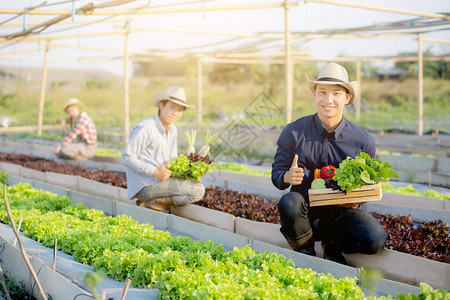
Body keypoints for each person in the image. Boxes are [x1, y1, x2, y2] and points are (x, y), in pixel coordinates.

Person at [272, 62, 386, 265]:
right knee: (289, 202)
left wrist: (356, 200)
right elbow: (277, 174)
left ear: (347, 98)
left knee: (375, 239)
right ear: (314, 94)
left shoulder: (362, 141)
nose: (328, 100)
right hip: (305, 214)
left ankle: (332, 244)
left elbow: (367, 187)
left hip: (341, 215)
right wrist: (286, 176)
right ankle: (306, 253)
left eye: (336, 94)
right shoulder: (293, 132)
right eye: (322, 92)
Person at [121, 86, 205, 211]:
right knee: (197, 190)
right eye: (172, 107)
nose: (175, 113)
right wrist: (155, 172)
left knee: (195, 186)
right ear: (161, 105)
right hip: (145, 186)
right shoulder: (146, 128)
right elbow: (127, 158)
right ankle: (149, 202)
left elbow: (172, 160)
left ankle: (153, 203)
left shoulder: (172, 130)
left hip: (161, 183)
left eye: (180, 110)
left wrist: (187, 174)